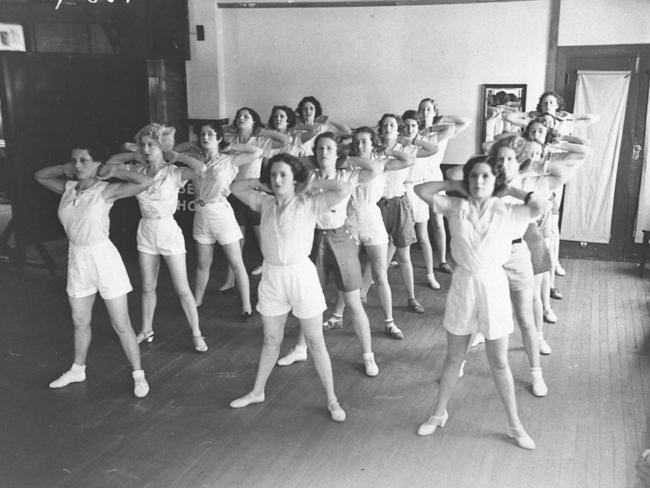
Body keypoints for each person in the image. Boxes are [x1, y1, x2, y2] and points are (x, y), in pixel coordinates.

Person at [414, 155, 549, 449]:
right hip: (464, 284)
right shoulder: (456, 206)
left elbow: (540, 206)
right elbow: (421, 191)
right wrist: (454, 184)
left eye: (486, 177)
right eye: (474, 176)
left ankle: (515, 425)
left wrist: (509, 189)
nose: (479, 182)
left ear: (495, 181)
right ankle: (439, 413)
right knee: (453, 358)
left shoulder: (507, 210)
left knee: (499, 362)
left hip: (493, 285)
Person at [228, 153, 350, 422]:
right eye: (273, 175)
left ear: (295, 179)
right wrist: (263, 182)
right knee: (271, 340)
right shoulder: (266, 202)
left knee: (316, 341)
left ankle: (332, 400)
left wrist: (309, 183)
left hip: (300, 276)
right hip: (273, 276)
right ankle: (257, 391)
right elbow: (236, 186)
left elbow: (343, 187)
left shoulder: (309, 202)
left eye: (283, 174)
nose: (277, 179)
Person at [34, 142, 152, 398]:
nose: (78, 165)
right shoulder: (67, 188)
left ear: (97, 164)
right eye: (74, 160)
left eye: (85, 160)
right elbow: (40, 175)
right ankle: (78, 369)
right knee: (80, 320)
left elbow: (144, 182)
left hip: (104, 259)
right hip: (77, 258)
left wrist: (114, 171)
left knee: (121, 324)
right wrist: (63, 168)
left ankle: (139, 374)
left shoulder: (105, 191)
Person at [277, 132, 380, 377]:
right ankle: (301, 347)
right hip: (312, 237)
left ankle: (368, 356)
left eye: (329, 149)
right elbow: (288, 161)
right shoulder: (307, 175)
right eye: (320, 148)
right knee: (308, 300)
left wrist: (345, 160)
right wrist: (311, 168)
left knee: (353, 302)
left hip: (340, 237)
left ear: (337, 153)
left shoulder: (347, 175)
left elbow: (374, 168)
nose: (323, 152)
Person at [106, 123, 208, 352]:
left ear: (162, 147)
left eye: (151, 145)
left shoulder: (174, 173)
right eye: (143, 145)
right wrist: (135, 153)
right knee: (147, 286)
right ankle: (146, 329)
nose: (146, 149)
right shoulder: (138, 172)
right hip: (146, 230)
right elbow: (110, 163)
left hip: (168, 231)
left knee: (182, 288)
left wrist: (177, 155)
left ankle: (197, 333)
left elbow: (201, 170)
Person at [322, 126, 415, 339]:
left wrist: (388, 149)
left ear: (373, 143)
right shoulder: (345, 165)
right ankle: (337, 316)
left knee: (380, 275)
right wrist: (348, 155)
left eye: (365, 141)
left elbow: (408, 160)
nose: (359, 145)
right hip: (349, 221)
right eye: (356, 141)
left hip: (373, 220)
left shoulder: (379, 163)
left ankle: (389, 322)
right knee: (347, 276)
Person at [178, 121, 263, 315]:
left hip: (221, 212)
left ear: (218, 138)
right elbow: (174, 151)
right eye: (202, 135)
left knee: (236, 261)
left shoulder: (229, 160)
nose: (205, 138)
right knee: (202, 263)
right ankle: (197, 301)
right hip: (200, 214)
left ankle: (246, 306)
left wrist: (232, 146)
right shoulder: (195, 158)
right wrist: (192, 144)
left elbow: (257, 152)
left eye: (210, 134)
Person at [377, 113, 433, 313]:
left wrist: (394, 146)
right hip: (379, 205)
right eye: (385, 125)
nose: (389, 127)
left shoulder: (405, 148)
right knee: (376, 254)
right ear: (381, 129)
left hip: (400, 203)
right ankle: (363, 293)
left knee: (404, 256)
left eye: (392, 124)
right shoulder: (375, 150)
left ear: (397, 128)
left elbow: (429, 150)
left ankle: (411, 297)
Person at [417, 98, 471, 275]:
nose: (425, 112)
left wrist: (438, 122)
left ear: (434, 111)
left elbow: (466, 121)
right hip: (416, 178)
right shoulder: (415, 131)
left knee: (438, 222)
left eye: (429, 109)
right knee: (415, 222)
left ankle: (441, 260)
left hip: (434, 177)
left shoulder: (444, 130)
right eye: (422, 109)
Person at [401, 109, 443, 290]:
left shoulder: (422, 145)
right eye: (407, 126)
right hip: (402, 190)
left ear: (418, 127)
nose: (410, 129)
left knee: (423, 236)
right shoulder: (398, 144)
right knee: (399, 239)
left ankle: (430, 274)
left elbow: (434, 149)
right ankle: (380, 272)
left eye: (413, 126)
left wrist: (413, 140)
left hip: (418, 189)